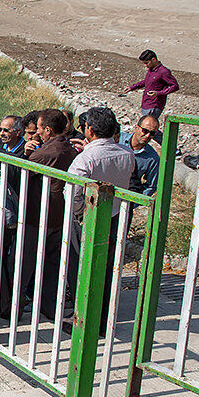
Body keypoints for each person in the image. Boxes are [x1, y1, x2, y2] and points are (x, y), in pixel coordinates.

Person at [65, 107, 135, 320]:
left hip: (87, 219)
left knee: (82, 268)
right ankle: (103, 316)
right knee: (105, 267)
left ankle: (83, 317)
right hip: (114, 216)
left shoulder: (85, 159)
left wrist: (79, 214)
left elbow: (74, 192)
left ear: (89, 130)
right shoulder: (127, 153)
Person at [22, 109, 78, 315]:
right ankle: (49, 306)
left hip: (39, 214)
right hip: (59, 214)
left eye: (38, 129)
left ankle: (13, 306)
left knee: (24, 262)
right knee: (52, 264)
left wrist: (25, 154)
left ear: (47, 129)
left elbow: (22, 171)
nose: (36, 133)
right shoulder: (70, 149)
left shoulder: (44, 153)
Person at [123, 50, 179, 120]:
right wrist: (132, 87)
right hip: (146, 103)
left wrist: (158, 93)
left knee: (149, 126)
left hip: (155, 105)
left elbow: (175, 86)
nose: (146, 66)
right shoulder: (151, 69)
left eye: (147, 63)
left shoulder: (164, 72)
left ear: (153, 59)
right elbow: (147, 81)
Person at [120, 113, 161, 196]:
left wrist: (134, 202)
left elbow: (151, 186)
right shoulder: (118, 140)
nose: (147, 135)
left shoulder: (152, 159)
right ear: (136, 128)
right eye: (145, 131)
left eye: (152, 133)